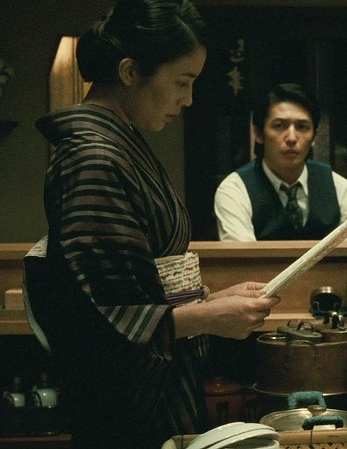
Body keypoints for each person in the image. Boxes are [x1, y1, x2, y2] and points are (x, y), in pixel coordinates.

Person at [23, 1, 280, 447]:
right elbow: (106, 317)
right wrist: (208, 317)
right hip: (126, 402)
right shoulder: (92, 158)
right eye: (182, 82)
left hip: (158, 377)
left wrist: (211, 300)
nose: (188, 99)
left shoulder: (118, 144)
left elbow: (143, 284)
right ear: (129, 71)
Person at [214, 83, 347, 241]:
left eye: (302, 127)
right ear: (258, 134)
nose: (292, 138)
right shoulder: (235, 190)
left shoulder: (341, 190)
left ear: (314, 136)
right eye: (279, 126)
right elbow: (243, 256)